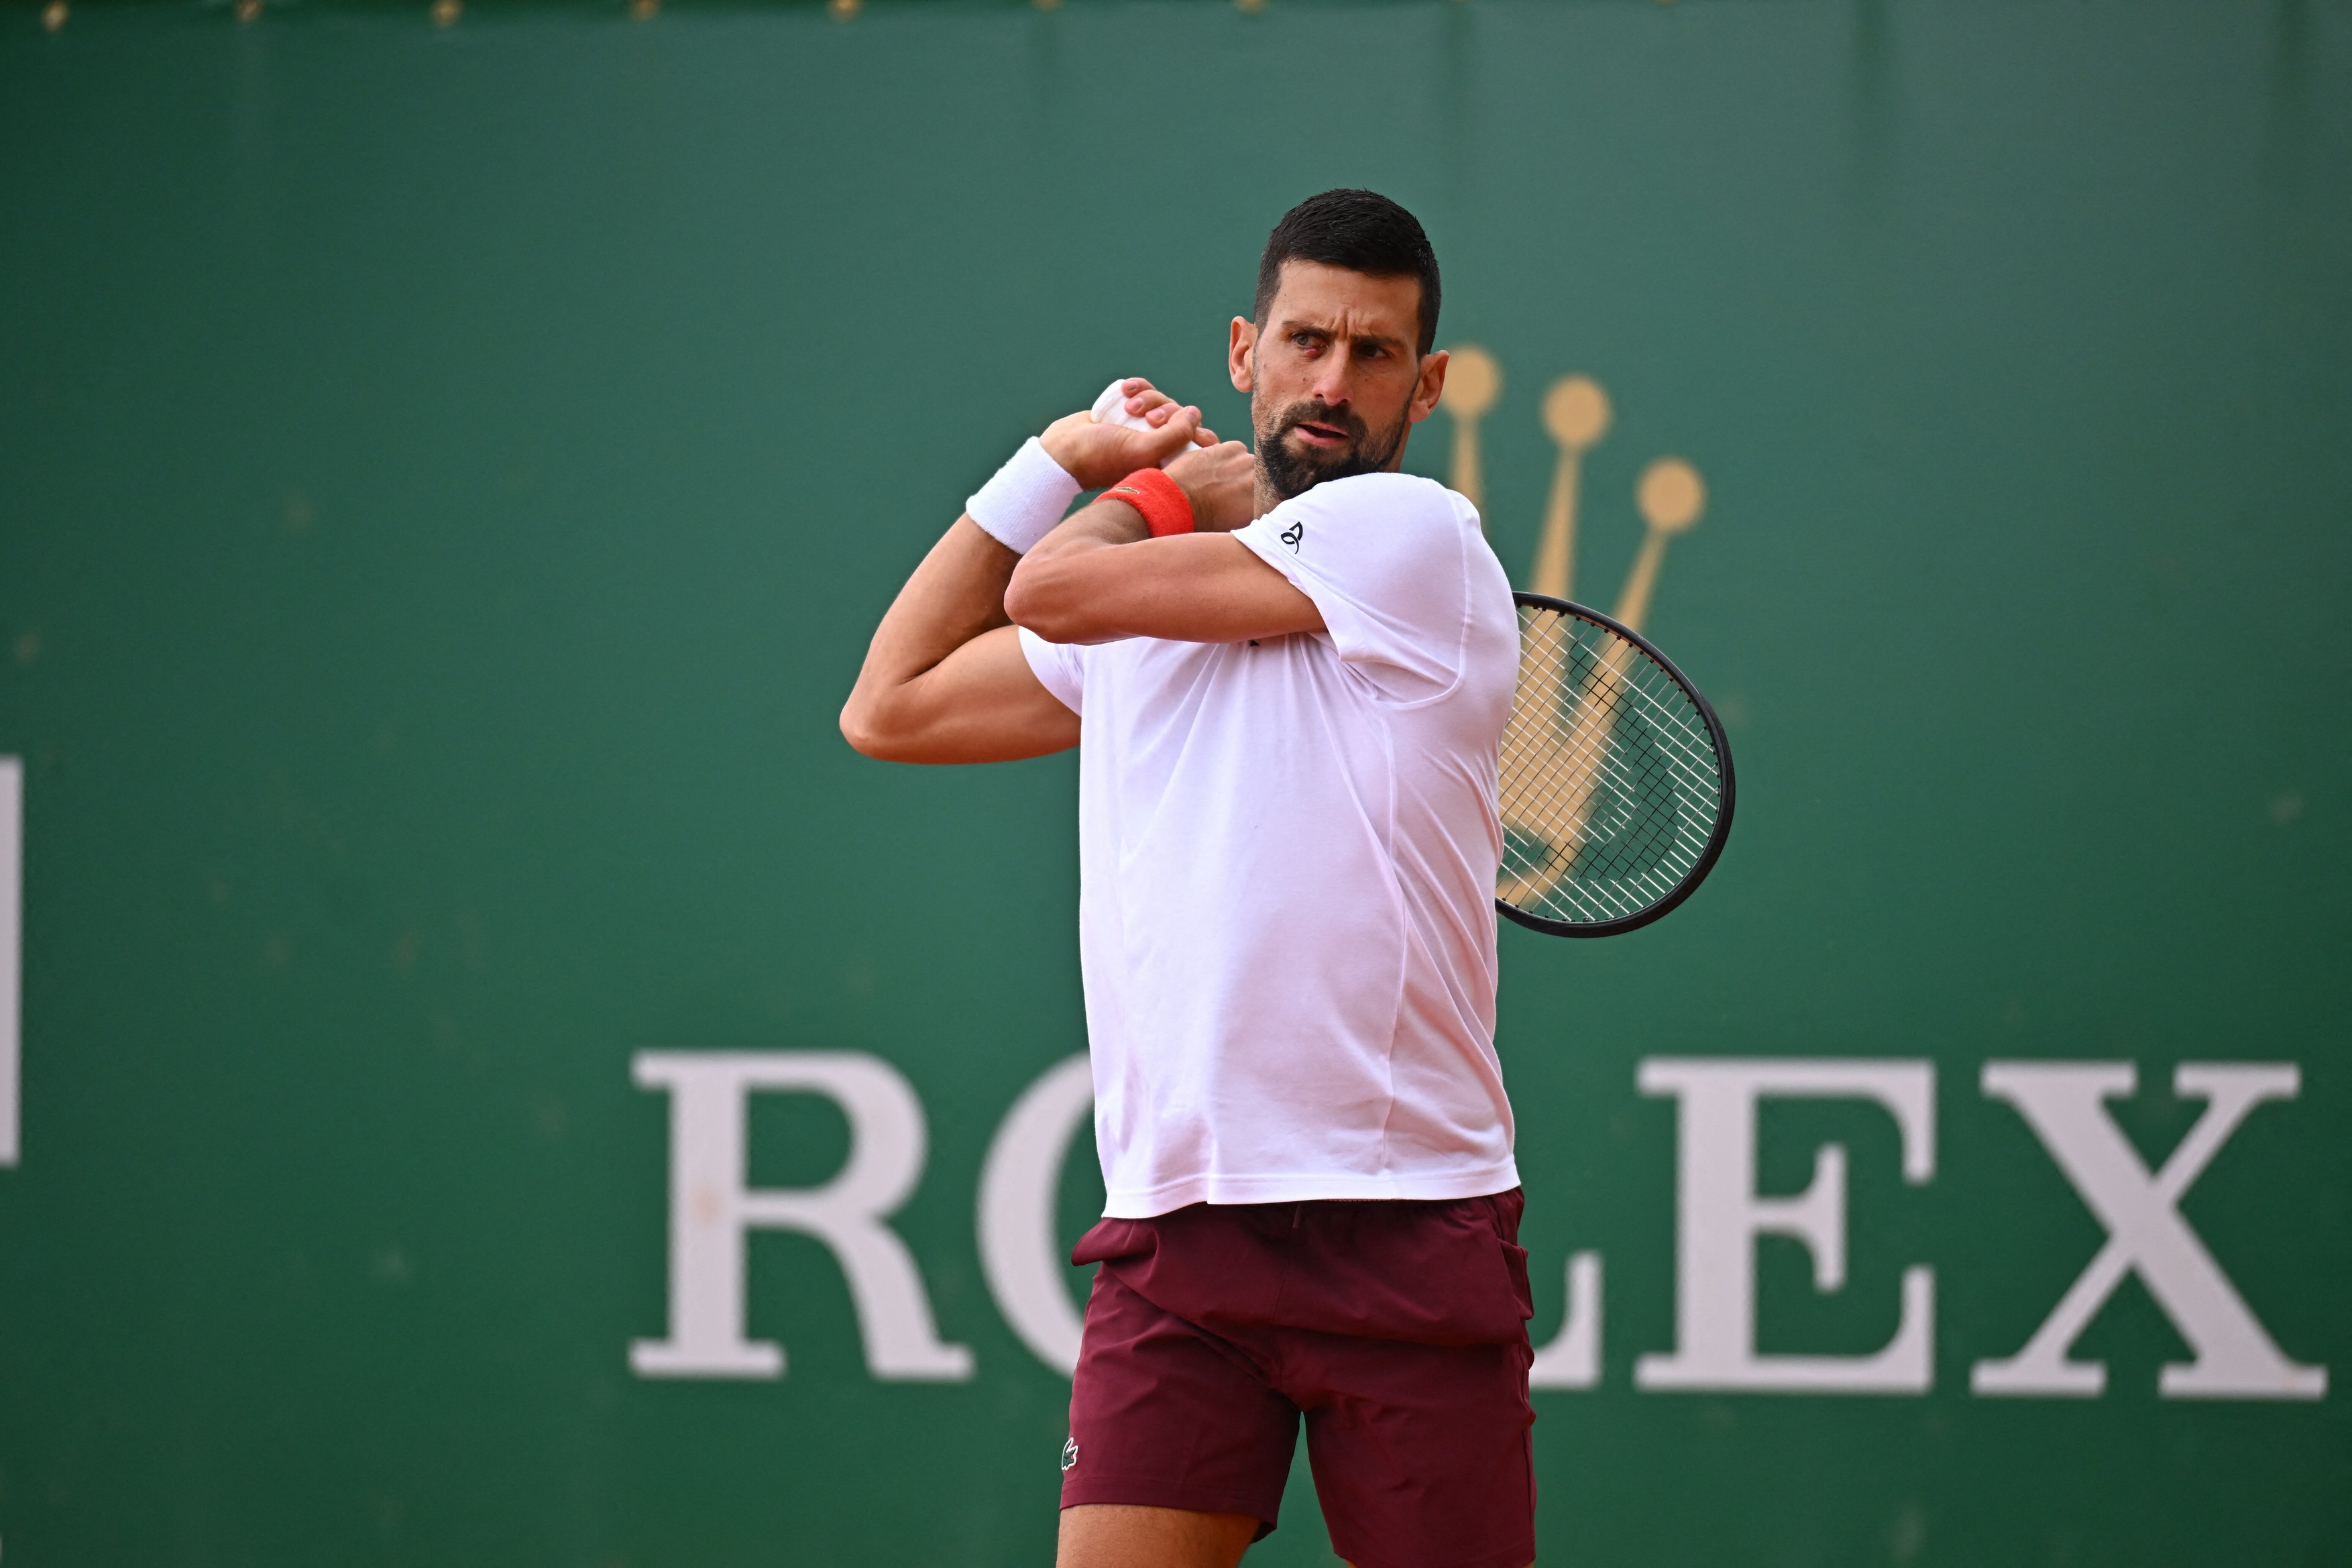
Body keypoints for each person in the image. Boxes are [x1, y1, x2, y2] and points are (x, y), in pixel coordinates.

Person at [842, 190, 1530, 1568]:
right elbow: (891, 704)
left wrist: (1148, 492)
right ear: (1242, 349)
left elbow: (1052, 593)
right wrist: (1050, 459)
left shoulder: (1417, 535)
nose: (1331, 382)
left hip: (1402, 1216)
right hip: (1175, 1235)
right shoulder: (1138, 591)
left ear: (1428, 384)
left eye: (1375, 353)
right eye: (1305, 339)